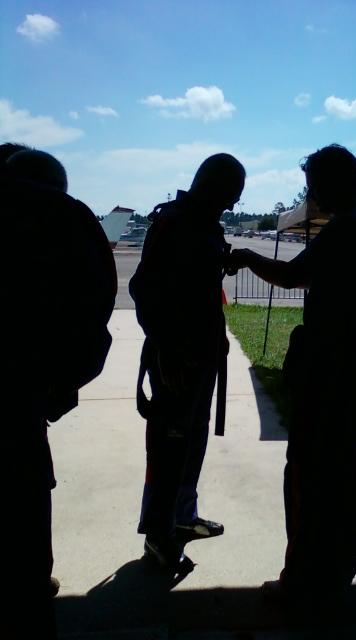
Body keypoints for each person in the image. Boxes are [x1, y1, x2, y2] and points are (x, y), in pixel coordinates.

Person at [230, 144, 356, 608]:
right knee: (342, 464)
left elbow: (294, 275)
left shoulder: (345, 230)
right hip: (351, 368)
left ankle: (303, 578)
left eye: (314, 184)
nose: (311, 193)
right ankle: (345, 551)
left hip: (328, 371)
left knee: (309, 473)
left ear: (328, 184)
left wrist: (247, 257)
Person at [2, 144, 117, 639]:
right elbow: (94, 312)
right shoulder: (65, 218)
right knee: (24, 509)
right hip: (18, 403)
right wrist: (63, 385)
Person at [129, 153, 245, 569]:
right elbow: (145, 289)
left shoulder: (201, 223)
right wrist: (168, 351)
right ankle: (159, 536)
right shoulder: (175, 221)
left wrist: (218, 338)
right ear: (209, 186)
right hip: (177, 359)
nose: (231, 205)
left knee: (191, 442)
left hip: (200, 355)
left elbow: (197, 290)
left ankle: (182, 518)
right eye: (229, 195)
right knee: (170, 446)